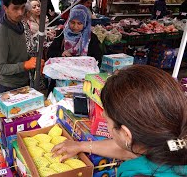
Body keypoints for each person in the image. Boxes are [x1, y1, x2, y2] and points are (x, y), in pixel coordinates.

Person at [52, 65, 187, 176]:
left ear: (126, 134)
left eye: (107, 118)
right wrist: (81, 146)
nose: (103, 114)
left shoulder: (134, 173)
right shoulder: (174, 142)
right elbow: (129, 149)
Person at [0, 0, 44, 93]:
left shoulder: (19, 25)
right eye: (15, 8)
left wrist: (33, 62)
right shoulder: (1, 35)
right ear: (5, 8)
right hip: (9, 87)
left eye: (23, 7)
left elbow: (20, 53)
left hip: (24, 81)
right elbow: (1, 68)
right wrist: (25, 65)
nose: (20, 12)